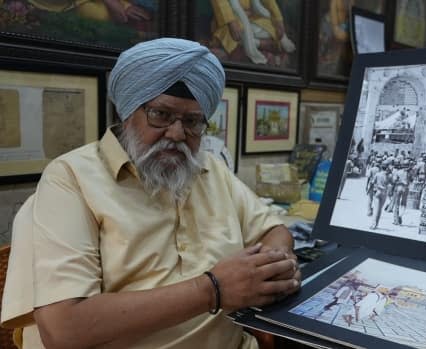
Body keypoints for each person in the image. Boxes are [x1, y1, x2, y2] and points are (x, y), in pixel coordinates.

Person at [1, 38, 300, 349]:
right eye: (160, 114)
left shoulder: (208, 169)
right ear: (128, 110)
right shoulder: (71, 179)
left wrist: (273, 267)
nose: (176, 133)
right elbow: (64, 330)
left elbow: (274, 230)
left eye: (193, 121)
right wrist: (214, 289)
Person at [210, 0, 296, 65]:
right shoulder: (230, 21)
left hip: (252, 18)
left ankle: (255, 42)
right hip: (228, 21)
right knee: (235, 34)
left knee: (273, 29)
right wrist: (231, 22)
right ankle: (260, 43)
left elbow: (269, 2)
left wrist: (278, 19)